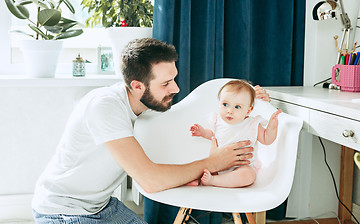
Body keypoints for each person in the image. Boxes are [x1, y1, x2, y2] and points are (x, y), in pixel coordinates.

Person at [31, 38, 270, 223]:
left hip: (102, 207)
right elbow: (151, 181)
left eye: (174, 78)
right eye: (166, 84)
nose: (176, 88)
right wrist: (214, 163)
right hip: (62, 212)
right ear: (137, 86)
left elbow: (211, 112)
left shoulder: (147, 106)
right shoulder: (105, 106)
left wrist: (252, 99)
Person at [189, 79, 281, 188]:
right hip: (217, 164)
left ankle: (214, 180)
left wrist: (272, 127)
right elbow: (213, 136)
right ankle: (194, 179)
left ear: (248, 110)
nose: (229, 111)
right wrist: (202, 132)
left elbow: (267, 139)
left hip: (242, 166)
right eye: (225, 104)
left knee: (248, 176)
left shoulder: (252, 124)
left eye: (237, 107)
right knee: (200, 165)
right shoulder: (217, 121)